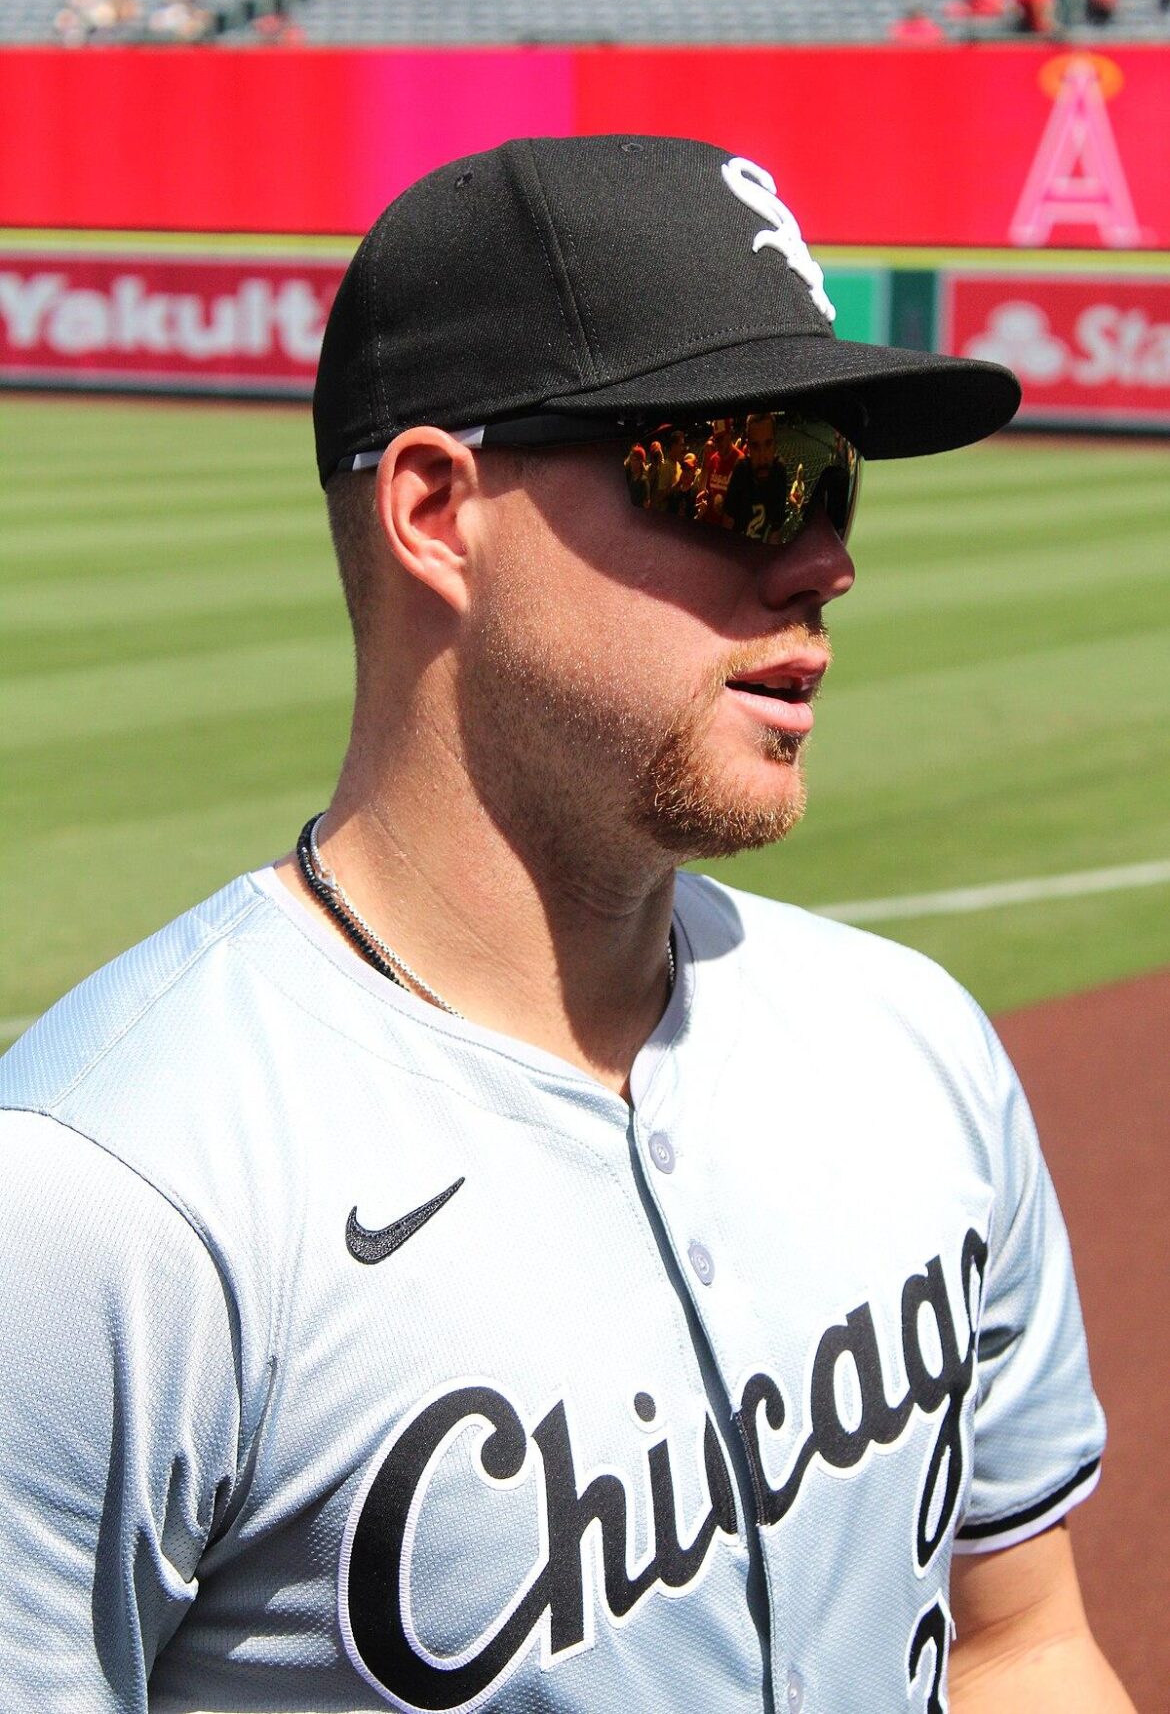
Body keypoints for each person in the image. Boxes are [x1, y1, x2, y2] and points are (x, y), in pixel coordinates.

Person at [0, 134, 1134, 1713]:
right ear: (436, 510)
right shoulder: (105, 1202)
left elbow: (1021, 1641)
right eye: (739, 469)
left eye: (833, 472)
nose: (824, 558)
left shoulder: (912, 1042)